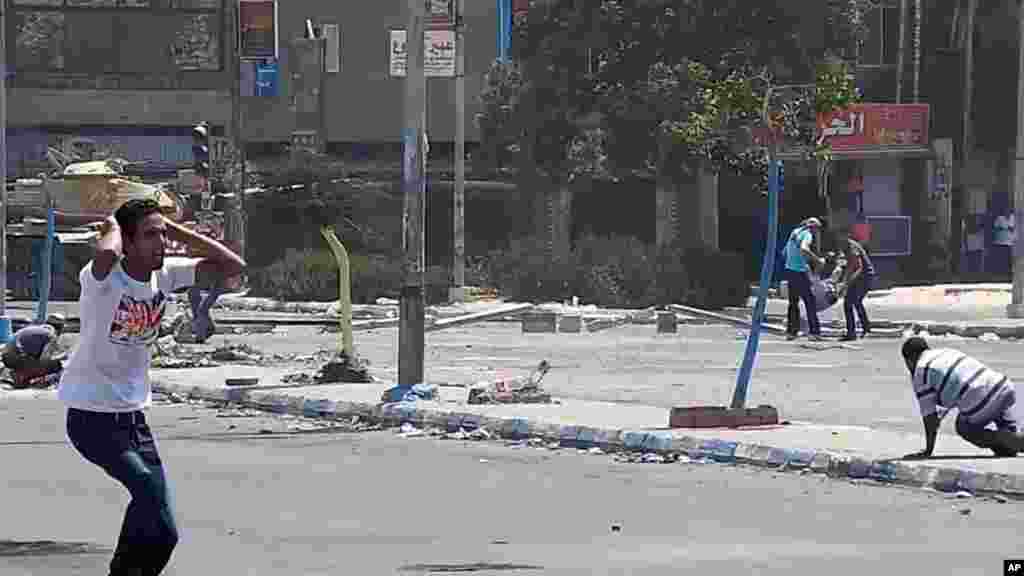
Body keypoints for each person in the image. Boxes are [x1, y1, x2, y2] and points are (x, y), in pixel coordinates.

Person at [58, 198, 245, 575]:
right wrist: (113, 223)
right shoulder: (102, 280)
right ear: (127, 242)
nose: (160, 243)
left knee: (164, 531)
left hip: (133, 420)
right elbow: (107, 254)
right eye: (149, 236)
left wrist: (176, 230)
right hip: (90, 416)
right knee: (144, 487)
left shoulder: (167, 275)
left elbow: (233, 267)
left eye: (162, 235)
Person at [901, 337, 1024, 459]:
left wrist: (928, 450)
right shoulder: (947, 352)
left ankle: (1013, 441)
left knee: (963, 427)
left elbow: (929, 419)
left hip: (982, 399)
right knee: (990, 401)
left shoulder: (920, 372)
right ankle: (1010, 440)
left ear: (909, 360)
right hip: (1003, 387)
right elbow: (959, 384)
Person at [782, 217, 826, 341]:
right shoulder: (807, 235)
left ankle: (791, 332)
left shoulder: (794, 232)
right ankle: (814, 332)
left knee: (793, 303)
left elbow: (784, 252)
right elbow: (804, 248)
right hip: (799, 272)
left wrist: (796, 261)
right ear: (814, 228)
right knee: (810, 302)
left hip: (790, 270)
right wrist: (817, 260)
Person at [2, 313, 66, 389]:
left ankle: (21, 376)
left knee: (35, 359)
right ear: (61, 329)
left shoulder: (35, 328)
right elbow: (44, 360)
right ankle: (19, 376)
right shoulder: (51, 335)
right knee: (56, 365)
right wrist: (61, 357)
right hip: (16, 357)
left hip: (7, 356)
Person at [838, 234, 875, 341]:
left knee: (849, 302)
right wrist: (844, 281)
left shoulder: (852, 246)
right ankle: (865, 328)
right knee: (855, 302)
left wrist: (847, 282)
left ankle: (852, 332)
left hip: (864, 276)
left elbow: (858, 267)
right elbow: (848, 266)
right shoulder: (844, 246)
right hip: (860, 276)